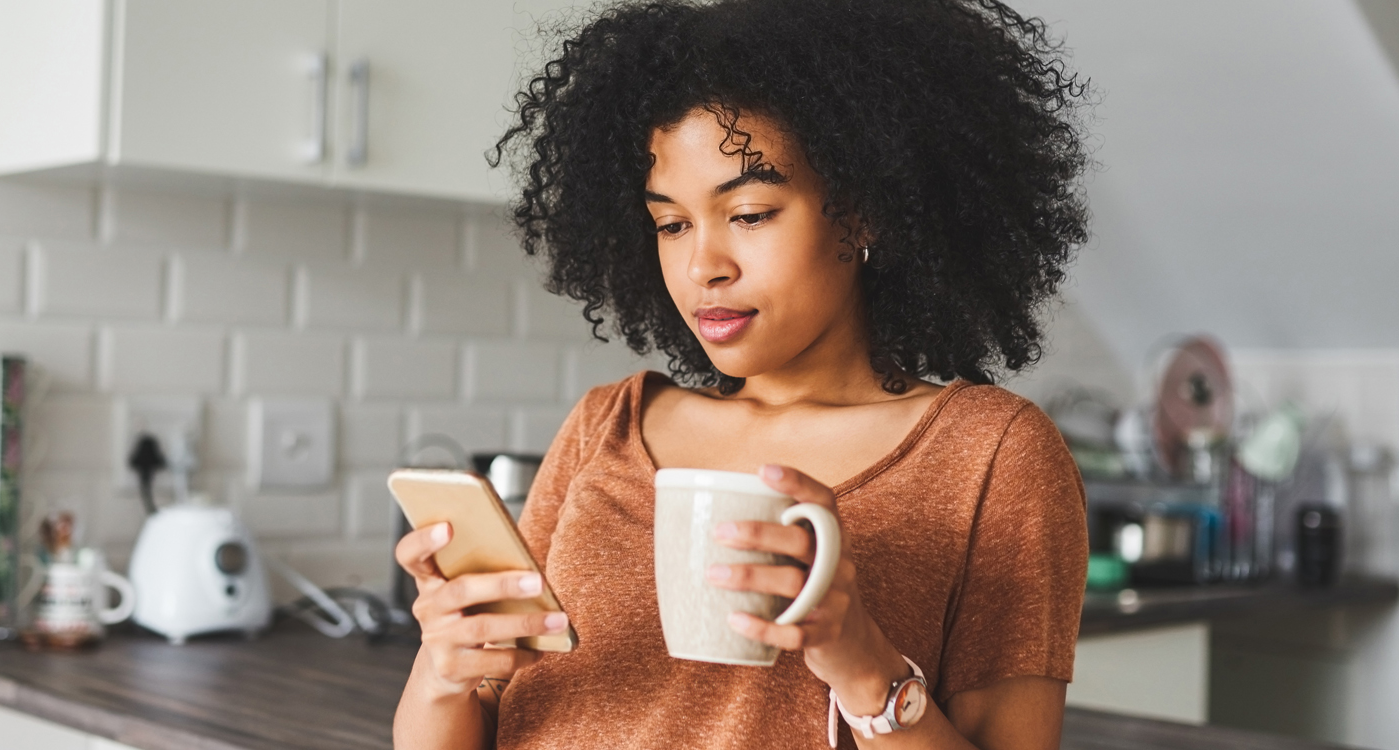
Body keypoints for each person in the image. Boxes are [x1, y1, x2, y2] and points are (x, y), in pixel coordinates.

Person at [394, 0, 1091, 747]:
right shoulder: (606, 426)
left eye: (751, 213)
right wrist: (442, 671)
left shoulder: (993, 457)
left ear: (862, 215)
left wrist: (862, 665)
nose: (703, 267)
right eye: (671, 224)